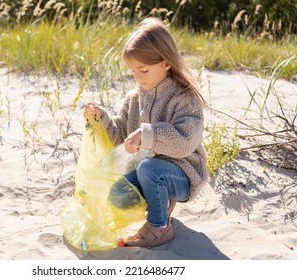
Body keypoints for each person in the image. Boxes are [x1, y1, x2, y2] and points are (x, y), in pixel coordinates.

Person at [84, 17, 208, 247]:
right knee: (118, 195)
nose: (137, 77)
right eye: (133, 71)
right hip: (148, 172)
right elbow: (121, 136)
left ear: (166, 63)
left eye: (143, 69)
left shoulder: (184, 97)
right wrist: (102, 119)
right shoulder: (135, 98)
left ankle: (160, 226)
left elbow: (186, 141)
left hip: (183, 174)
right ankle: (161, 201)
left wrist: (147, 134)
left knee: (149, 169)